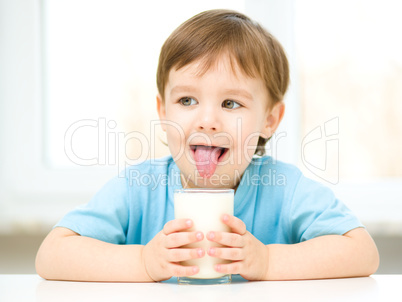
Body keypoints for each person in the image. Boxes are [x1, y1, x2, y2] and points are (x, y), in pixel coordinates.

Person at [35, 9, 379, 282]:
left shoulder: (284, 189)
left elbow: (362, 252)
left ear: (269, 120)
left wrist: (269, 260)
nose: (207, 120)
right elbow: (52, 255)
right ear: (163, 111)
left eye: (231, 104)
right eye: (186, 100)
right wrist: (143, 261)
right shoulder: (137, 189)